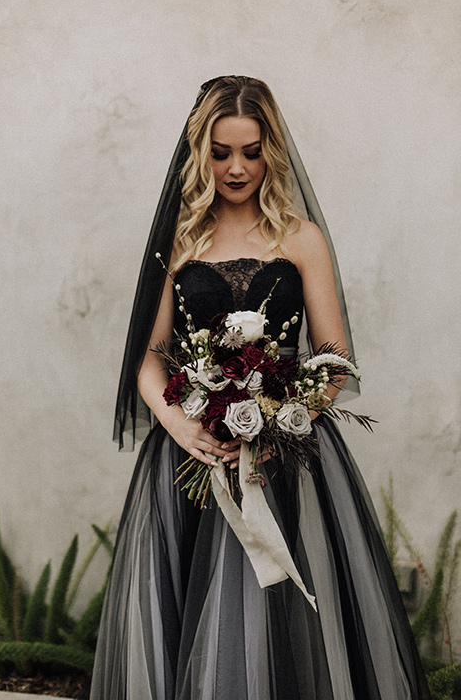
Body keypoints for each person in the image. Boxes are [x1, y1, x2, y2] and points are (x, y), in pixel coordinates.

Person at [90, 76, 430, 699]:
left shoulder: (301, 239)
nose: (237, 167)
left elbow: (332, 357)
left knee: (286, 620)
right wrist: (179, 425)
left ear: (271, 149)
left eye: (250, 151)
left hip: (290, 459)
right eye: (221, 152)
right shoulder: (181, 241)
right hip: (192, 456)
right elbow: (149, 356)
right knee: (192, 616)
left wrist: (284, 418)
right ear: (201, 153)